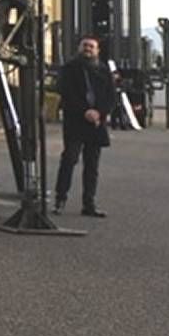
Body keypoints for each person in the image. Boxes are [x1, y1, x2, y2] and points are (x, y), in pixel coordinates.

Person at [54, 37, 116, 217]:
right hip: (75, 121)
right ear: (79, 48)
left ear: (97, 51)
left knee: (92, 165)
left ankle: (89, 204)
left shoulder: (104, 71)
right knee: (69, 159)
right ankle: (60, 199)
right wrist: (85, 111)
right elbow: (65, 93)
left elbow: (110, 97)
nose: (88, 49)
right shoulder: (69, 69)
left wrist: (99, 112)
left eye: (92, 46)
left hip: (96, 123)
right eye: (85, 46)